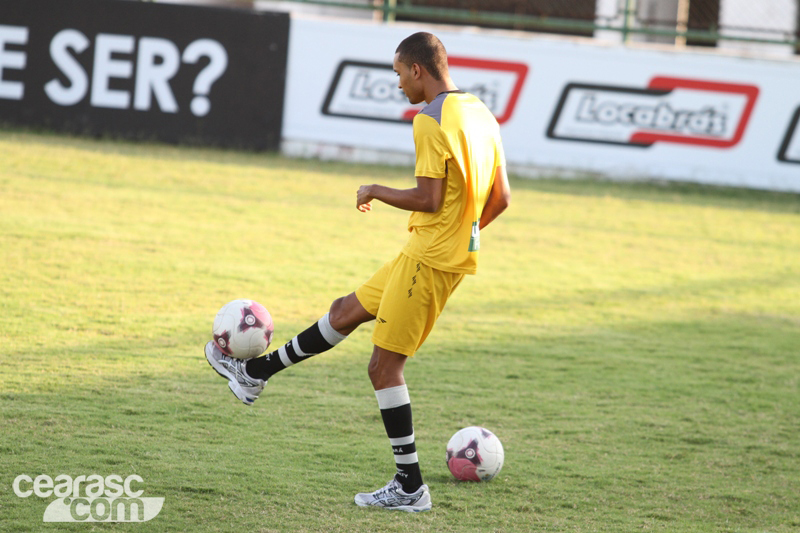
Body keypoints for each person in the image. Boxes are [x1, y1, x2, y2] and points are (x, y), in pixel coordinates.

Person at [205, 31, 511, 513]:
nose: (397, 85)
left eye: (398, 73)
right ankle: (254, 374)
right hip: (430, 253)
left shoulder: (430, 120)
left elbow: (429, 199)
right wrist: (462, 235)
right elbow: (501, 199)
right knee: (345, 311)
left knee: (384, 367)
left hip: (428, 260)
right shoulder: (480, 112)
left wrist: (374, 189)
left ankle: (410, 487)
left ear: (417, 70)